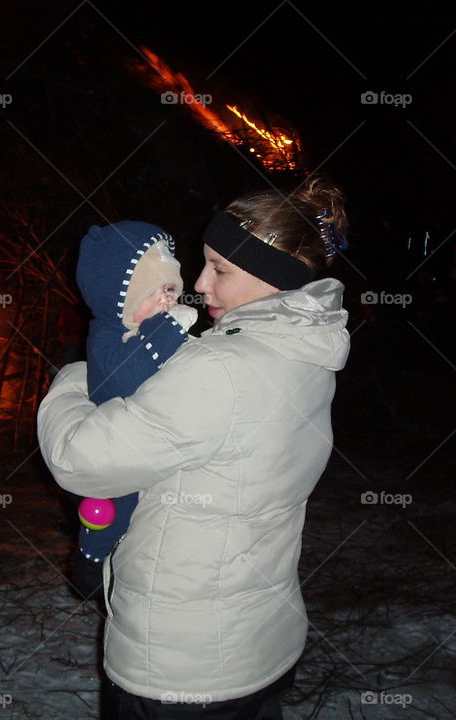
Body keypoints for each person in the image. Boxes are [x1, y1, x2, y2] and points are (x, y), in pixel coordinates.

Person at [38, 177, 350, 719]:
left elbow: (79, 461)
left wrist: (74, 377)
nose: (200, 284)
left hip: (185, 664)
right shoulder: (307, 352)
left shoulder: (220, 370)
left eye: (219, 269)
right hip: (262, 640)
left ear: (271, 274)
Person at [72, 221, 198, 599]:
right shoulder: (106, 336)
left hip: (154, 455)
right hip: (115, 459)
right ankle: (92, 564)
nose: (167, 302)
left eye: (172, 291)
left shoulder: (151, 334)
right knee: (110, 515)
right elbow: (126, 375)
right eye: (156, 291)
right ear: (120, 295)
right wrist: (170, 329)